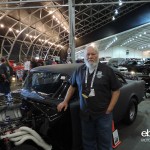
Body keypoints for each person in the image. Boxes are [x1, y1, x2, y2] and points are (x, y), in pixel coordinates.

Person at [57, 45, 121, 150]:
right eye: (88, 54)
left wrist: (110, 108)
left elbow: (116, 90)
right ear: (84, 56)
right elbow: (72, 87)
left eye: (93, 54)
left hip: (103, 114)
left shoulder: (107, 70)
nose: (90, 56)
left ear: (97, 55)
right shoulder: (79, 70)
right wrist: (65, 101)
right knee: (88, 141)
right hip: (86, 114)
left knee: (105, 142)